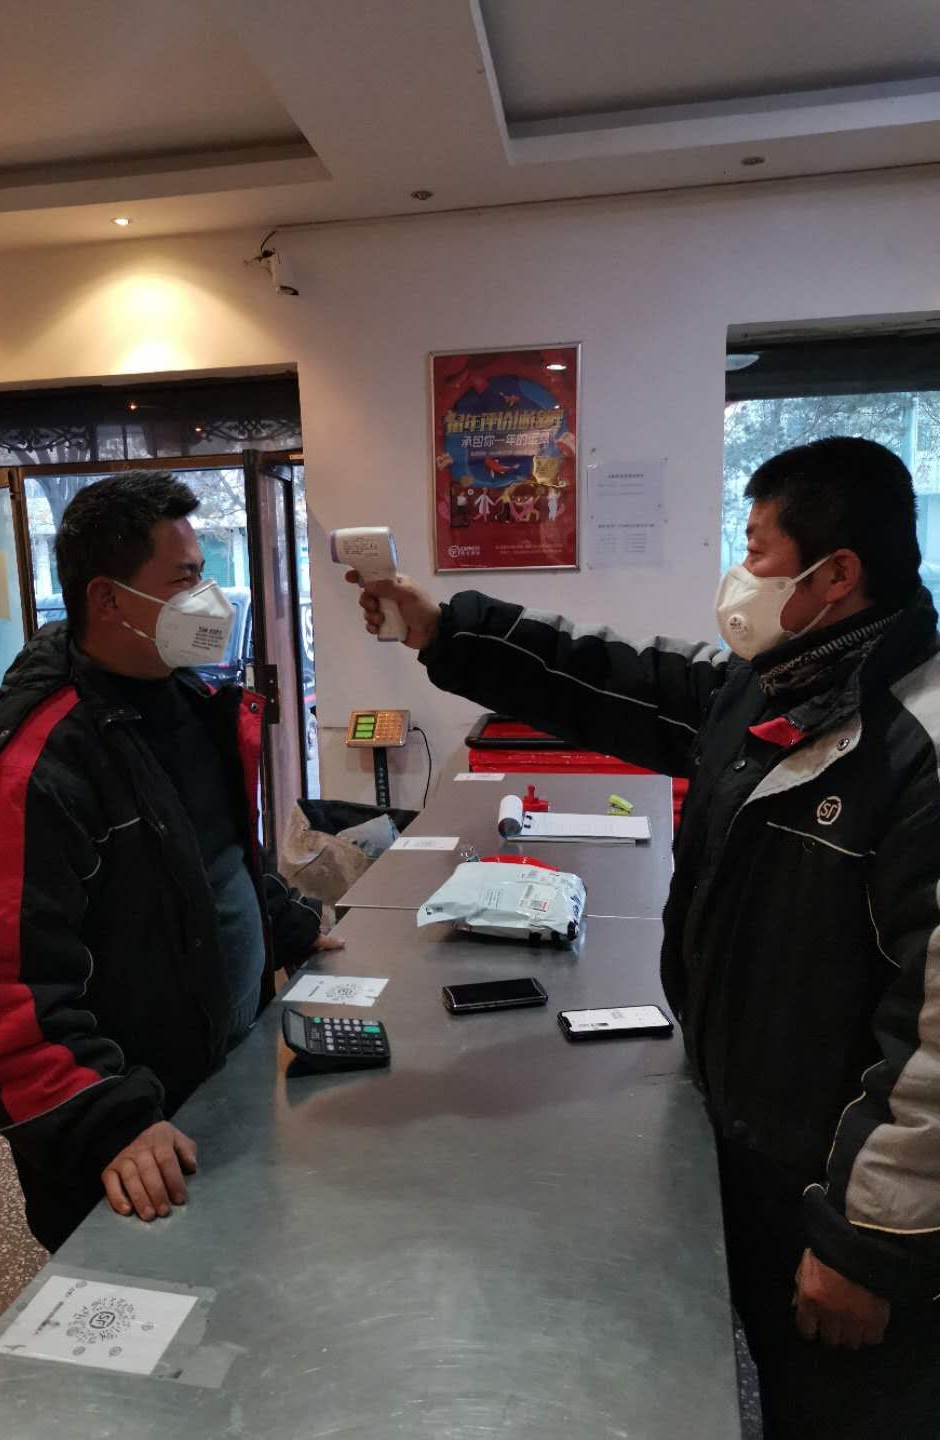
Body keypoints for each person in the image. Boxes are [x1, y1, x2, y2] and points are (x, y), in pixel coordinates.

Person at [349, 437, 940, 1438]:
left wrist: (866, 1239)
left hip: (844, 1181)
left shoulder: (916, 744)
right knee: (772, 1377)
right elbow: (613, 680)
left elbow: (934, 1039)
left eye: (756, 548)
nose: (739, 572)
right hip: (752, 1134)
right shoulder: (773, 686)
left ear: (836, 575)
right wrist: (444, 629)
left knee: (851, 1410)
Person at [0, 471, 338, 1253]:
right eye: (184, 579)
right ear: (109, 600)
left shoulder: (186, 703)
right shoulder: (36, 765)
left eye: (204, 573)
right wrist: (105, 1118)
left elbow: (216, 854)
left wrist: (288, 924)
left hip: (218, 1084)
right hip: (128, 1141)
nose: (210, 599)